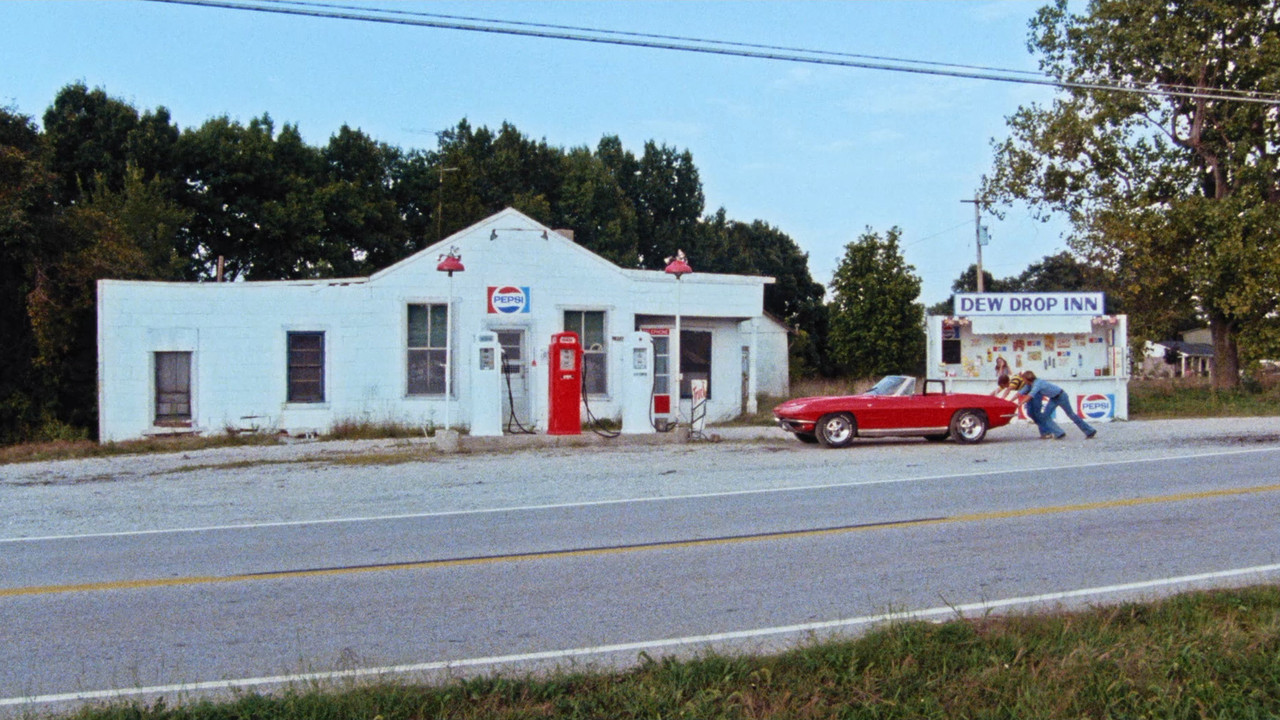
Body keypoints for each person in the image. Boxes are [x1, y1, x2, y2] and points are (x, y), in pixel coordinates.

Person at [1017, 371, 1097, 440]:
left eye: (1024, 379)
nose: (1023, 380)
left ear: (1027, 379)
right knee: (1045, 416)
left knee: (1071, 414)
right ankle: (1059, 433)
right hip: (1054, 398)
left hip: (1061, 396)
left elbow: (1030, 395)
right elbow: (1020, 392)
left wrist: (1020, 403)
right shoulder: (1032, 384)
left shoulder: (1037, 384)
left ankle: (1089, 430)